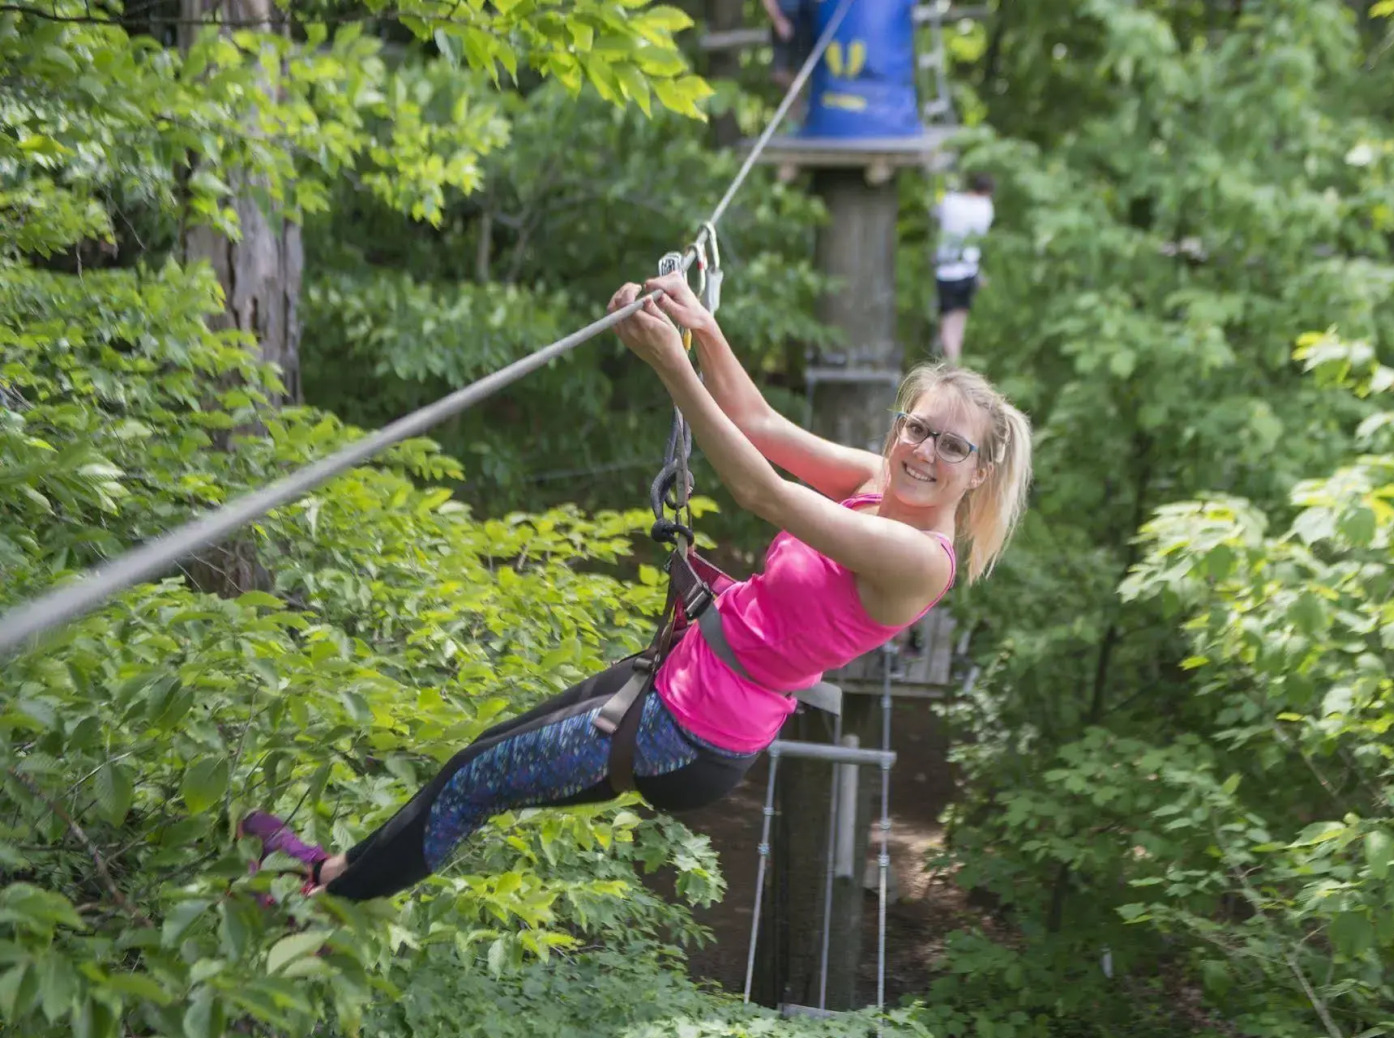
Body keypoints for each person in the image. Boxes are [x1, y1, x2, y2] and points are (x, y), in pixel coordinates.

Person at [241, 272, 1032, 903]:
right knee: (477, 759)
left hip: (688, 730)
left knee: (476, 783)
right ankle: (332, 872)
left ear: (979, 470)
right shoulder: (876, 478)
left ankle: (319, 894)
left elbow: (763, 491)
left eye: (950, 444)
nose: (922, 449)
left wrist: (671, 363)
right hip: (680, 676)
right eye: (915, 426)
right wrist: (701, 324)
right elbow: (760, 427)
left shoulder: (919, 558)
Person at [934, 172, 996, 361]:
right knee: (959, 321)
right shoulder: (986, 208)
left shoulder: (950, 202)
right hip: (968, 271)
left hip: (946, 271)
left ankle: (953, 362)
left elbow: (936, 210)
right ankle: (956, 360)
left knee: (947, 322)